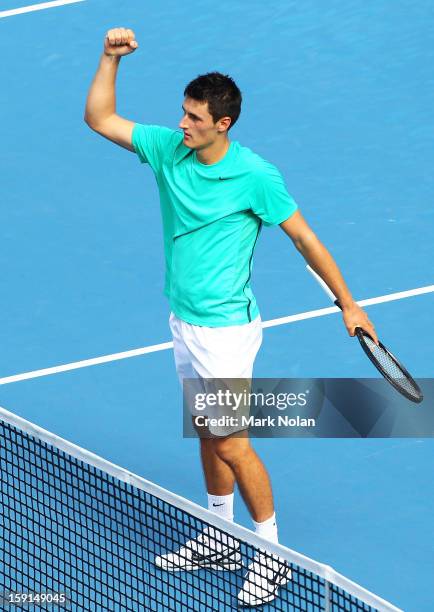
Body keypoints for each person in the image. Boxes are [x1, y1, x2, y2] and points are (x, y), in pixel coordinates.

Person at [84, 27, 378, 607]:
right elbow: (101, 118)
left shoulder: (256, 176)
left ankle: (272, 553)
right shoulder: (170, 149)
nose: (183, 124)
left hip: (225, 331)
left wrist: (349, 302)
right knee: (205, 431)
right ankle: (220, 532)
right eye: (183, 113)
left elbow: (304, 239)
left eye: (195, 118)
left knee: (233, 442)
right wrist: (108, 59)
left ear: (224, 124)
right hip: (184, 320)